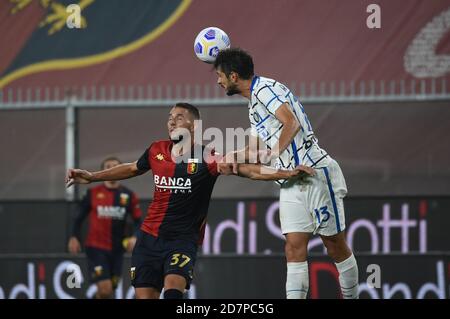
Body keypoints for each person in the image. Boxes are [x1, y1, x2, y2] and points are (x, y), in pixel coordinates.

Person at [66, 102, 314, 299]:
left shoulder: (208, 157)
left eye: (179, 117)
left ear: (194, 126)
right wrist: (92, 177)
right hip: (148, 240)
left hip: (182, 241)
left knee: (173, 291)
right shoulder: (156, 150)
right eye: (170, 118)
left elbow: (248, 170)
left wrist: (285, 173)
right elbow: (132, 168)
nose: (172, 121)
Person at [213, 48, 359, 299]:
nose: (218, 81)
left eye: (220, 75)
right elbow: (255, 149)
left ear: (234, 76)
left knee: (334, 245)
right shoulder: (253, 107)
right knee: (293, 248)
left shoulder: (265, 89)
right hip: (290, 179)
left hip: (315, 173)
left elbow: (292, 122)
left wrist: (274, 153)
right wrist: (231, 157)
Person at [68, 156, 142, 299]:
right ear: (103, 170)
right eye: (108, 166)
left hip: (117, 249)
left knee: (108, 291)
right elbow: (77, 218)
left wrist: (135, 237)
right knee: (105, 289)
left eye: (115, 166)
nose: (111, 169)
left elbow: (138, 221)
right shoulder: (93, 193)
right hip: (96, 248)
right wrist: (73, 236)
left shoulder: (128, 195)